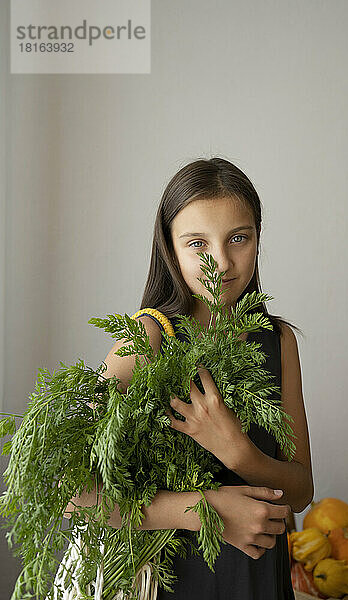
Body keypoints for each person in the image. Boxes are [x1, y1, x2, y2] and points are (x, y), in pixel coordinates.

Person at [65, 156, 314, 599]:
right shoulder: (148, 341)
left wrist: (239, 452)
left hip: (260, 583)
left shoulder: (278, 341)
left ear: (258, 237)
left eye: (239, 238)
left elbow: (301, 491)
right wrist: (206, 510)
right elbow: (72, 492)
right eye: (197, 243)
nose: (221, 262)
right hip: (175, 583)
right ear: (170, 248)